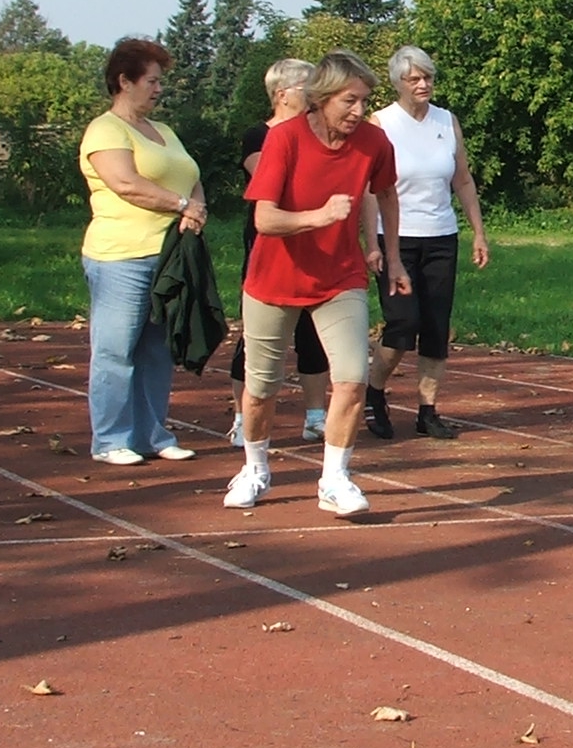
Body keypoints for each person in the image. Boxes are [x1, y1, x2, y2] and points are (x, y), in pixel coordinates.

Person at [232, 51, 409, 514]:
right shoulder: (284, 140)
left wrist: (392, 258)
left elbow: (387, 193)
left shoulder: (374, 142)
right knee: (261, 388)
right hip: (274, 279)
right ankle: (255, 468)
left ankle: (335, 478)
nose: (359, 111)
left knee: (351, 378)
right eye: (350, 101)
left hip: (340, 276)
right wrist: (320, 216)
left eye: (364, 102)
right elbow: (265, 218)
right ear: (322, 98)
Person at [79, 38, 204, 466]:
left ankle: (153, 433)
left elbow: (190, 174)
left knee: (157, 348)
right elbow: (126, 183)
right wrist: (181, 205)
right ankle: (111, 438)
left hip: (167, 254)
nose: (158, 89)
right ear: (124, 81)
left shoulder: (164, 131)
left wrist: (195, 207)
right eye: (151, 81)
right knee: (116, 348)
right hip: (121, 256)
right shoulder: (105, 130)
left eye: (160, 82)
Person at [364, 46, 490, 440]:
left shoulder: (446, 120)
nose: (423, 84)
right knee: (403, 324)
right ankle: (375, 392)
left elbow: (463, 179)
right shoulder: (381, 122)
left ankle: (427, 410)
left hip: (441, 235)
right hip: (395, 238)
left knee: (436, 328)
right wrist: (372, 243)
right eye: (414, 78)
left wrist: (478, 232)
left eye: (428, 77)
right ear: (398, 82)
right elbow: (369, 190)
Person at [225, 58, 332, 448]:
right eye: (308, 85)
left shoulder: (320, 132)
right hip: (268, 242)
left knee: (313, 330)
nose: (315, 93)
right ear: (282, 93)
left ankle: (316, 416)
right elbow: (269, 177)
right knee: (258, 335)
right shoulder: (259, 135)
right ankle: (242, 418)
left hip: (316, 240)